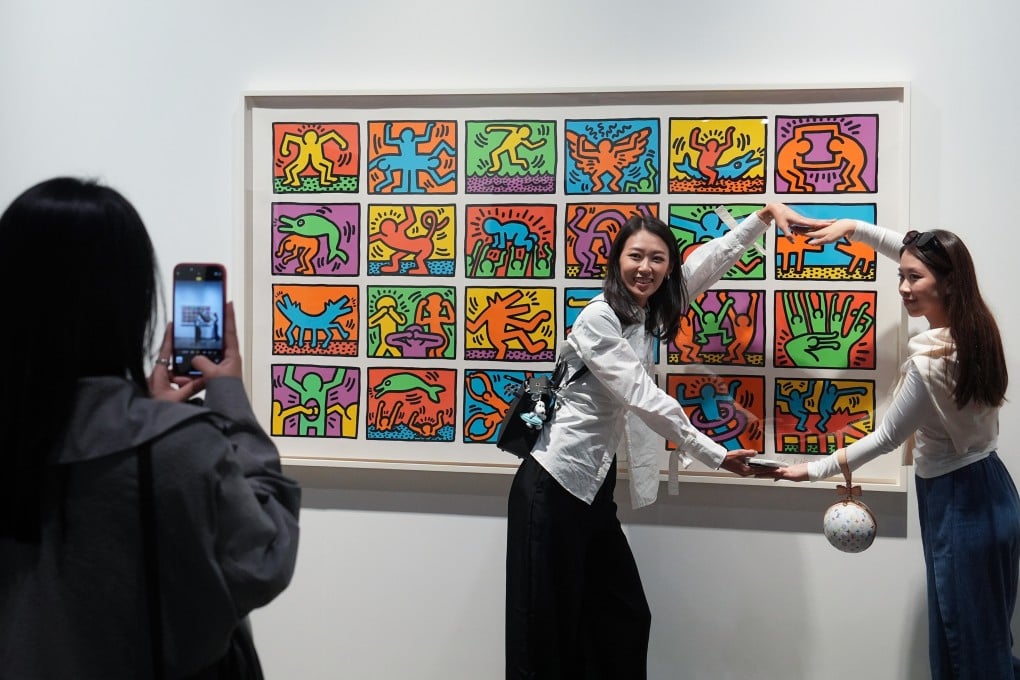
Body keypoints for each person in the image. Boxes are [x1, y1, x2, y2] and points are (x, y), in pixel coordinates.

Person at [505, 204, 828, 679]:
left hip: (592, 489)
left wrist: (762, 216)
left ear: (668, 267)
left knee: (621, 618)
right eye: (636, 256)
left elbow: (711, 260)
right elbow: (642, 397)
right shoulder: (599, 319)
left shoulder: (649, 309)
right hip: (552, 485)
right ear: (617, 261)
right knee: (544, 633)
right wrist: (716, 455)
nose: (646, 268)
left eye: (658, 259)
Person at [0, 177, 301, 678]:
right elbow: (264, 556)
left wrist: (141, 412)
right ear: (131, 302)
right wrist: (226, 401)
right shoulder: (178, 446)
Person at [774, 217, 1020, 679]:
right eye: (900, 276)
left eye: (914, 278)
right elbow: (916, 257)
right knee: (984, 637)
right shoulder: (976, 331)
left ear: (947, 285)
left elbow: (886, 436)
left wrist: (809, 470)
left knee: (964, 647)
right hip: (993, 490)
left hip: (958, 501)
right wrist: (853, 228)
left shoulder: (930, 367)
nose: (904, 287)